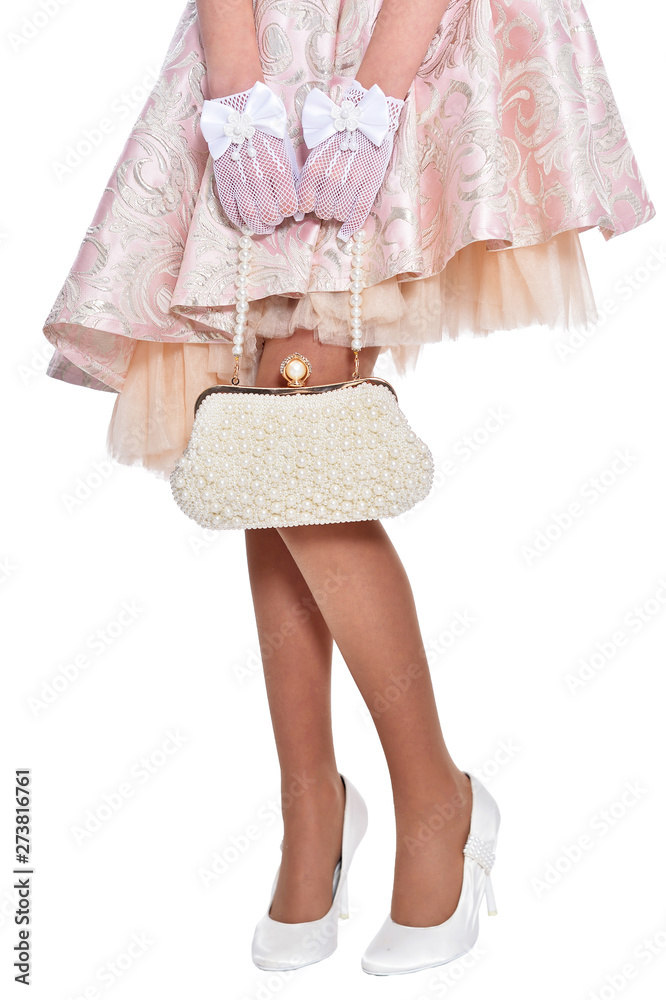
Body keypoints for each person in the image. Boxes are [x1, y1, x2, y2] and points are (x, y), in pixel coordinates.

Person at [41, 0, 655, 977]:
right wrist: (236, 84)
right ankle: (312, 801)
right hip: (264, 35)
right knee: (263, 420)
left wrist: (377, 91)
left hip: (407, 29)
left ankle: (436, 800)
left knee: (298, 399)